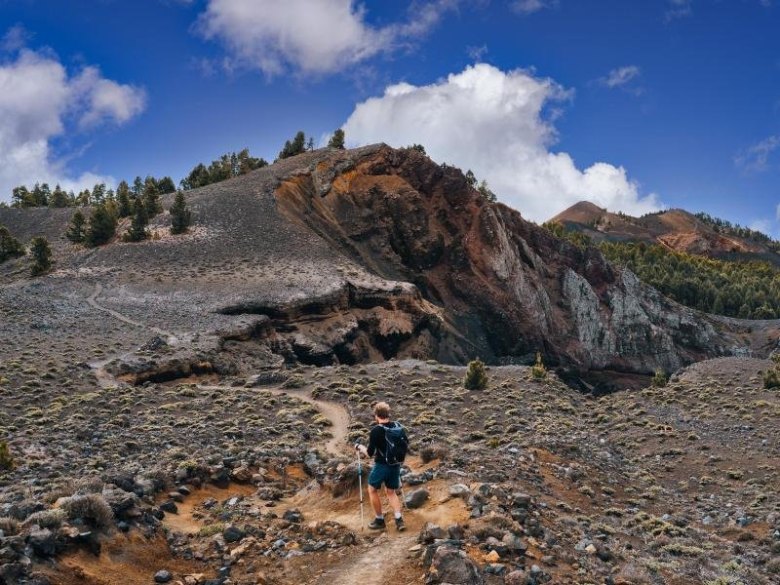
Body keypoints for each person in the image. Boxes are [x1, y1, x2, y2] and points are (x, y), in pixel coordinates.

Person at [356, 401, 408, 531]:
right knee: (391, 492)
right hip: (395, 464)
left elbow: (369, 453)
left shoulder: (376, 430)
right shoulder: (397, 426)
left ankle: (379, 520)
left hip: (382, 465)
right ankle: (399, 520)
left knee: (372, 489)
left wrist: (360, 447)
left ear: (376, 415)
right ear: (388, 414)